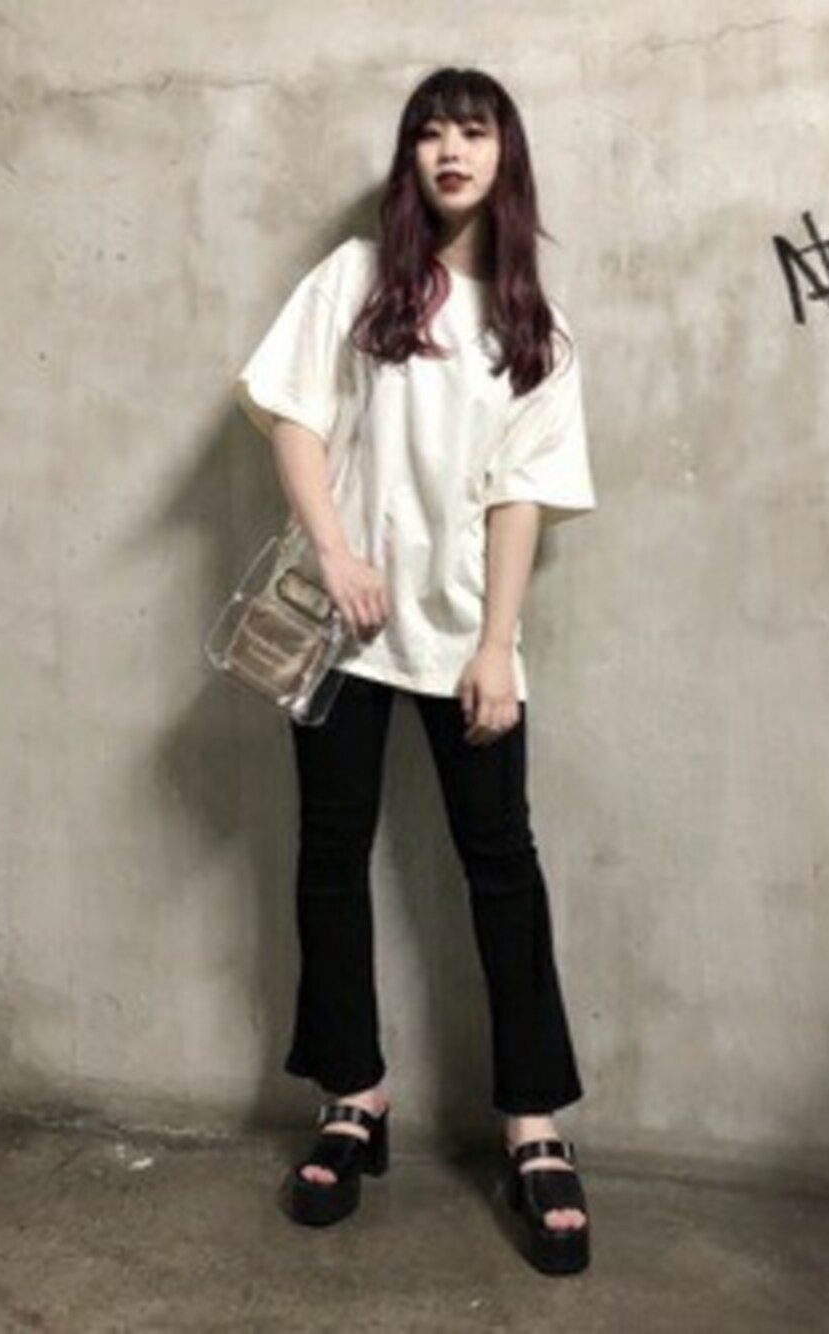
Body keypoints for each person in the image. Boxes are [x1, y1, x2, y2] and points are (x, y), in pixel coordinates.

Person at [234, 66, 597, 1275]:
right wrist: (336, 553)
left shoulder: (535, 326)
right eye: (431, 131)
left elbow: (522, 497)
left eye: (473, 131)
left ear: (504, 155)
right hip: (341, 626)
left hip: (461, 636)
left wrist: (495, 644)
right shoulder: (353, 278)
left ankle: (532, 1120)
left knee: (502, 865)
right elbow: (295, 415)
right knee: (329, 854)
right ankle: (353, 1096)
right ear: (410, 157)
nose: (451, 148)